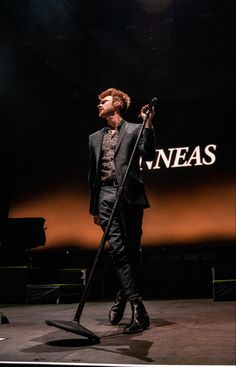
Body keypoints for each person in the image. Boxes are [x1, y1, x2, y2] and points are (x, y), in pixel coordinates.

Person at [88, 88, 156, 334]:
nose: (99, 105)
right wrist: (94, 208)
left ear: (116, 104)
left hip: (130, 196)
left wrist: (147, 123)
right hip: (105, 197)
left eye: (103, 101)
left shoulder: (135, 130)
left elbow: (148, 155)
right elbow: (92, 177)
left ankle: (122, 296)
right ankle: (139, 308)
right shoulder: (94, 138)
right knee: (118, 251)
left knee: (132, 252)